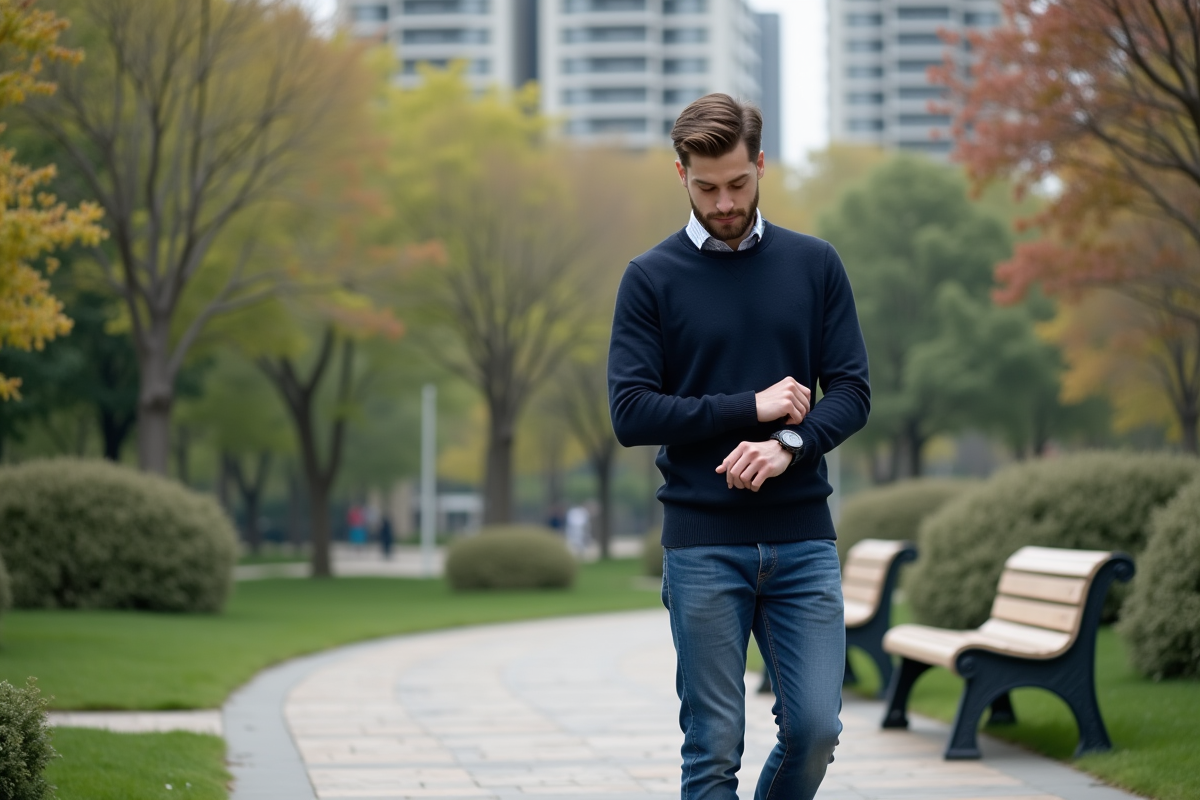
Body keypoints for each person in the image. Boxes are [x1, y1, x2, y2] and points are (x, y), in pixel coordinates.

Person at [607, 94, 870, 800]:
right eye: (706, 188)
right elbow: (630, 412)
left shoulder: (815, 264)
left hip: (801, 539)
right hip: (702, 543)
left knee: (816, 730)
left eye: (737, 183)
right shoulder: (650, 279)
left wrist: (789, 441)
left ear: (760, 165)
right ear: (681, 174)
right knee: (714, 747)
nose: (724, 203)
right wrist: (750, 407)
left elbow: (851, 390)